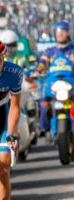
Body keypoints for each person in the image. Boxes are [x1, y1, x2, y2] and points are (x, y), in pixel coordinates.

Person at [37, 20, 74, 136]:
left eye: (63, 31)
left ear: (68, 33)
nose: (60, 34)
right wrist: (37, 70)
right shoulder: (50, 51)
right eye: (58, 31)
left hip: (71, 81)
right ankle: (43, 127)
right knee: (43, 100)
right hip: (54, 82)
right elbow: (42, 62)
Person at [0, 41, 23, 200]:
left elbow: (15, 106)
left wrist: (10, 133)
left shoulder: (14, 72)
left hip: (2, 117)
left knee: (3, 168)